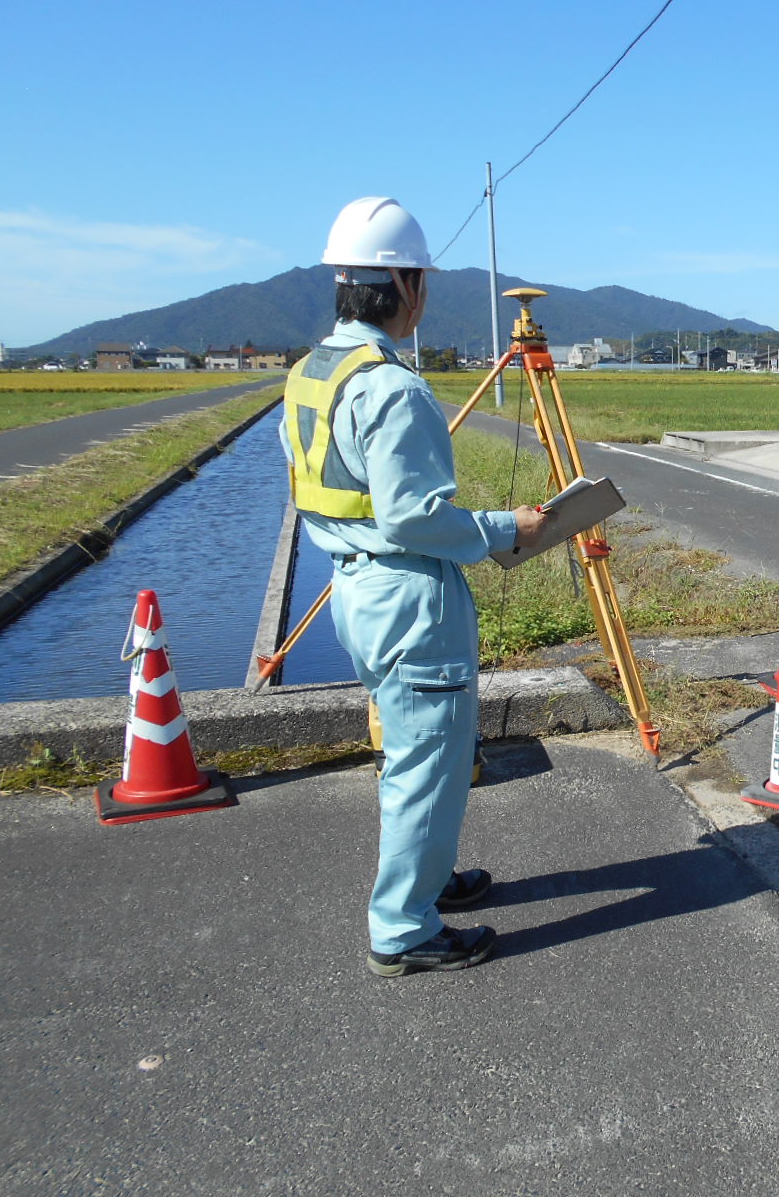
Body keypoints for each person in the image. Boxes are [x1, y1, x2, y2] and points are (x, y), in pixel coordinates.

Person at [280, 196, 549, 977]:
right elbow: (416, 520)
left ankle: (427, 882)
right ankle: (403, 927)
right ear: (405, 285)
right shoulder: (394, 390)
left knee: (416, 751)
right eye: (421, 280)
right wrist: (511, 530)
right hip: (407, 596)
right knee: (424, 763)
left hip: (355, 592)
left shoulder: (311, 374)